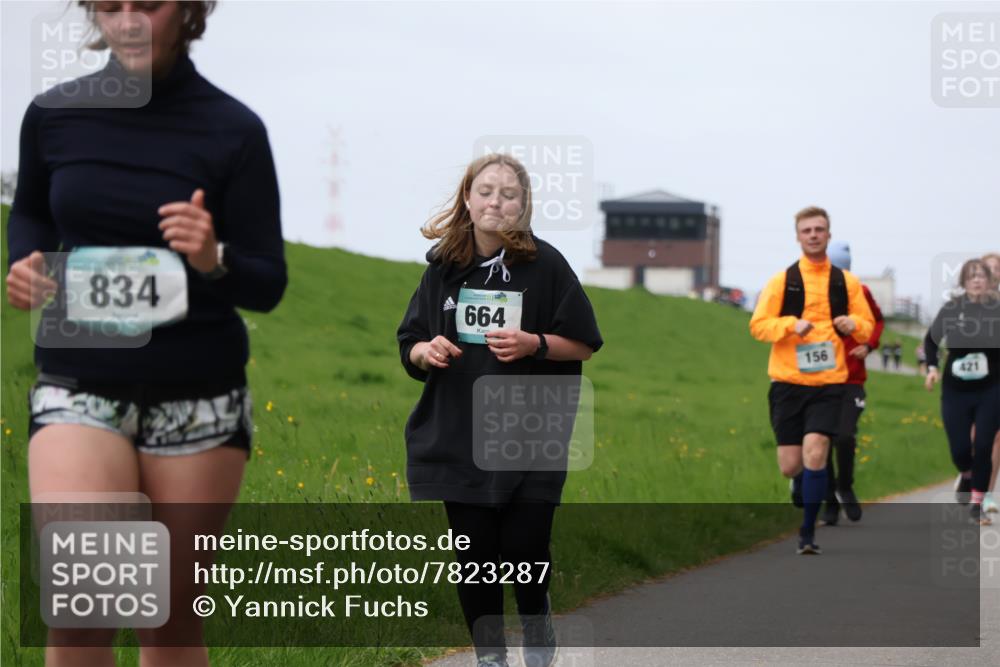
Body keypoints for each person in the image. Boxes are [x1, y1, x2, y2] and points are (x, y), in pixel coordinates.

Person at [6, 2, 286, 664]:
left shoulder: (234, 130)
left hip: (199, 397)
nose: (129, 21)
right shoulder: (53, 115)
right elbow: (31, 215)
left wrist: (213, 258)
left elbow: (267, 281)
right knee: (86, 610)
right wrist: (23, 263)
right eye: (111, 6)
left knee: (168, 621)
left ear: (187, 12)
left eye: (148, 5)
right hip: (79, 386)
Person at [397, 154, 602, 667]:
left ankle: (537, 622)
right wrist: (429, 351)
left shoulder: (546, 266)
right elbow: (411, 344)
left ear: (523, 205)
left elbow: (583, 344)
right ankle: (490, 657)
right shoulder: (443, 267)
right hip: (458, 432)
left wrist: (533, 342)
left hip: (531, 431)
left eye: (508, 194)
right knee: (474, 559)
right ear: (467, 198)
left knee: (525, 550)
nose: (496, 201)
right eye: (485, 191)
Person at [750, 206, 874, 554]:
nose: (814, 235)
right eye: (807, 230)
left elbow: (867, 325)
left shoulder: (846, 282)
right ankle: (800, 483)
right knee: (792, 465)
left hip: (830, 383)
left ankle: (808, 535)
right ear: (798, 237)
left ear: (829, 235)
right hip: (788, 383)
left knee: (817, 451)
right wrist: (790, 325)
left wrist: (853, 325)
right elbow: (758, 325)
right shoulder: (781, 281)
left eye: (820, 229)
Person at [923, 259, 999, 525]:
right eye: (971, 276)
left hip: (991, 389)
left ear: (990, 281)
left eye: (982, 276)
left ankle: (977, 504)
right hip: (956, 389)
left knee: (983, 445)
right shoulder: (953, 308)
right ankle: (966, 475)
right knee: (960, 449)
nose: (977, 280)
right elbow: (931, 340)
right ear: (963, 282)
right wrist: (931, 367)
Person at [820, 241, 884, 525]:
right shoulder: (811, 294)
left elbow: (878, 321)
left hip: (852, 378)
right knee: (820, 442)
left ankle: (845, 485)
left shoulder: (861, 292)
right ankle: (829, 500)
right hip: (819, 379)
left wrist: (869, 346)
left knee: (844, 436)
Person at [980, 252, 1000, 513]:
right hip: (971, 378)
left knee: (997, 438)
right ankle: (969, 474)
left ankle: (986, 494)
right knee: (977, 438)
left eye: (997, 269)